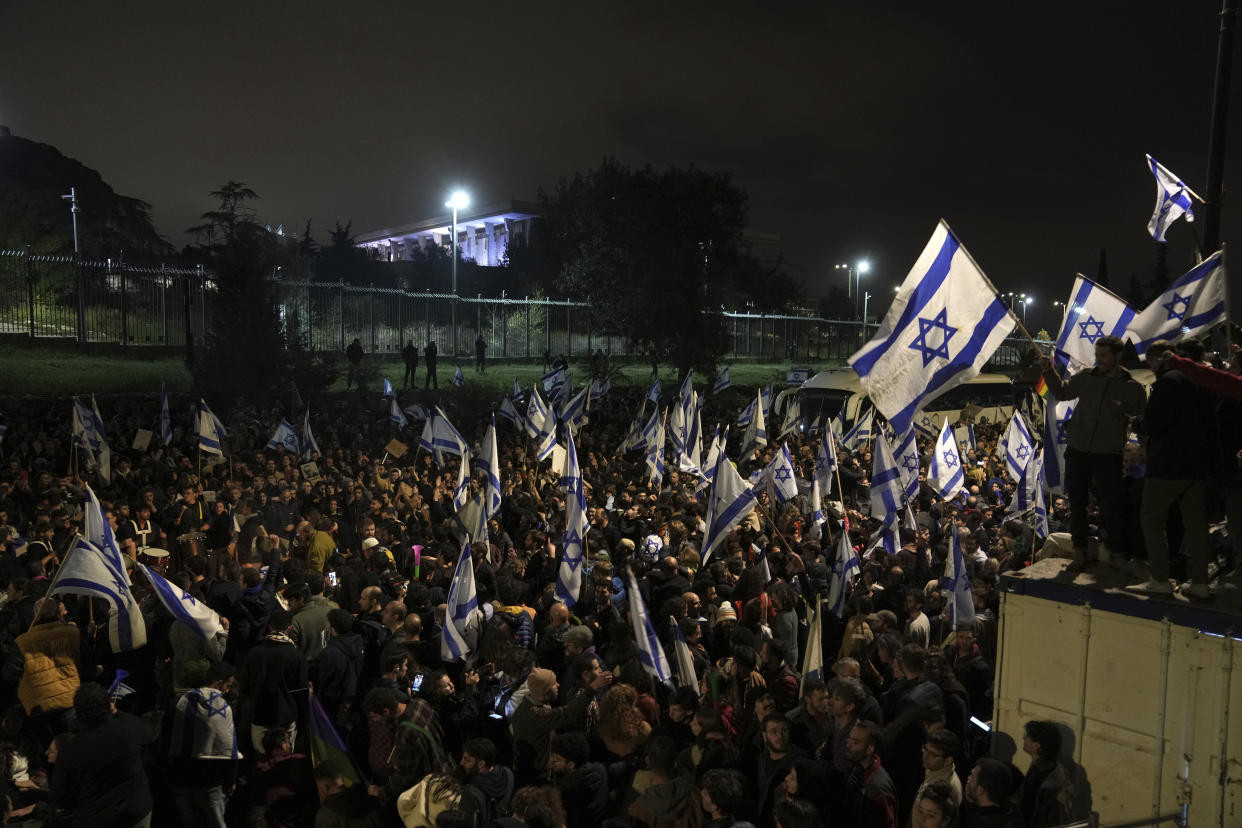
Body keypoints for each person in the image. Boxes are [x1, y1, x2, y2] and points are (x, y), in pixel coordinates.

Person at [1038, 335, 1147, 570]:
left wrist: (1141, 450)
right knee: (1076, 503)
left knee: (1111, 504)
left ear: (1118, 356)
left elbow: (1142, 420)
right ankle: (1080, 551)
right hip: (1078, 451)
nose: (1098, 360)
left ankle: (1117, 552)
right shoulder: (1086, 377)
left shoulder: (1132, 388)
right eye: (1097, 355)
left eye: (1104, 356)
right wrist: (1049, 371)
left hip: (1108, 455)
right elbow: (1063, 392)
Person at [1126, 340, 1218, 599]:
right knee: (1196, 523)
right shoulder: (1200, 379)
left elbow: (1155, 423)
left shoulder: (1166, 384)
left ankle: (1159, 579)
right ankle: (1199, 582)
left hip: (1168, 465)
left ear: (1157, 360)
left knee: (1151, 518)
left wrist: (1137, 424)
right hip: (1198, 465)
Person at [52, 682, 155, 828]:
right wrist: (117, 712)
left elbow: (62, 797)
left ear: (79, 714)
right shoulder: (130, 728)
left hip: (98, 818)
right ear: (109, 705)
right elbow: (149, 736)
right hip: (136, 813)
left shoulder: (70, 751)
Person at [167, 662, 240, 828]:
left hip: (180, 775)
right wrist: (231, 779)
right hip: (210, 780)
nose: (227, 691)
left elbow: (167, 737)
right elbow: (228, 746)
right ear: (219, 682)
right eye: (227, 685)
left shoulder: (179, 702)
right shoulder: (222, 708)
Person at [842, 719, 899, 828]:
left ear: (869, 749)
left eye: (855, 742)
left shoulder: (877, 789)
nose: (848, 745)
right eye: (849, 738)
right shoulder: (856, 767)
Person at [1019, 720, 1074, 827]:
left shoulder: (1050, 781)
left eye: (1027, 736)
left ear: (1036, 746)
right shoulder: (1040, 768)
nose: (1023, 738)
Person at [961, 758, 1021, 828]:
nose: (968, 779)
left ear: (981, 790)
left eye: (972, 776)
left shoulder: (986, 824)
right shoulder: (1011, 813)